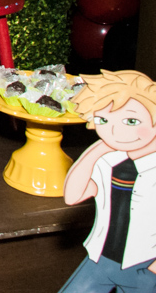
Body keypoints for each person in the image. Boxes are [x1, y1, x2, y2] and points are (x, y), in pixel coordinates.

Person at [61, 70, 156, 293]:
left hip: (143, 266)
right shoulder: (108, 161)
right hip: (100, 260)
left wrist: (153, 271)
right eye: (102, 120)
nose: (113, 131)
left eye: (131, 121)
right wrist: (98, 148)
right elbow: (73, 196)